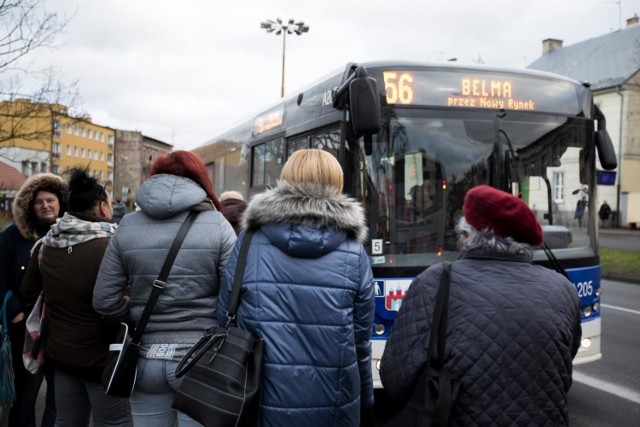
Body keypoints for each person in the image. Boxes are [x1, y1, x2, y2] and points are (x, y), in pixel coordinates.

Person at [380, 185, 581, 426]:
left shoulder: (435, 282)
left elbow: (395, 378)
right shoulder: (563, 288)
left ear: (468, 236)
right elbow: (564, 365)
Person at [217, 149, 375, 427]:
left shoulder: (250, 242)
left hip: (261, 399)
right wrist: (365, 400)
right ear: (336, 184)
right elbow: (360, 339)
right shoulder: (354, 252)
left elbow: (225, 317)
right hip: (335, 403)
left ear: (285, 180)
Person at [93, 150, 236, 426]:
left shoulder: (127, 225)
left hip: (145, 360)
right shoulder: (218, 225)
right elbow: (233, 298)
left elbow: (103, 300)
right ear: (200, 180)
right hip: (200, 360)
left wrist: (136, 311)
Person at [20, 167, 132, 427]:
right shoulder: (112, 247)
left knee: (67, 421)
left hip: (61, 356)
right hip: (103, 360)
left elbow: (28, 292)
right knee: (113, 423)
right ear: (103, 207)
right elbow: (125, 299)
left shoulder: (47, 245)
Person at [0, 173, 65, 427]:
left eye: (51, 200)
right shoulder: (12, 237)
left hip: (62, 329)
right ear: (30, 205)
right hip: (25, 329)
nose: (45, 205)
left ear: (61, 203)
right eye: (39, 201)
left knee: (58, 401)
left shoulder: (70, 234)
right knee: (24, 399)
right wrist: (14, 310)